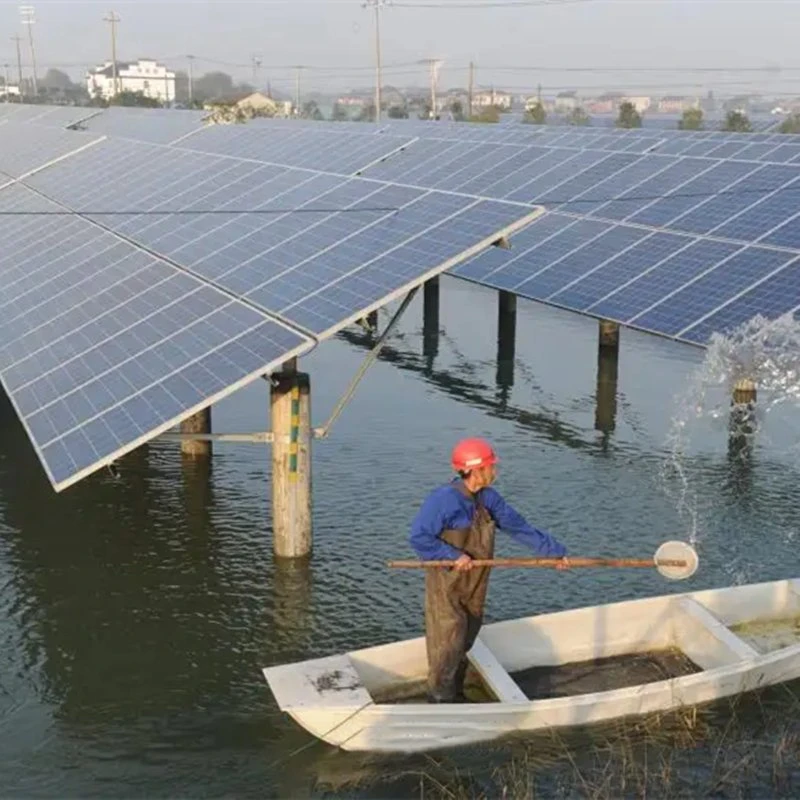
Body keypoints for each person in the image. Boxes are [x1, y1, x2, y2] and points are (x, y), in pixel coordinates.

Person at [408, 437, 569, 703]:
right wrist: (452, 554)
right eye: (490, 466)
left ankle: (455, 693)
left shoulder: (488, 499)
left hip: (475, 583)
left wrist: (554, 553)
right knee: (449, 638)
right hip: (446, 582)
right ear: (475, 470)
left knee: (467, 634)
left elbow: (519, 527)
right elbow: (419, 537)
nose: (495, 471)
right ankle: (439, 698)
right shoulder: (443, 500)